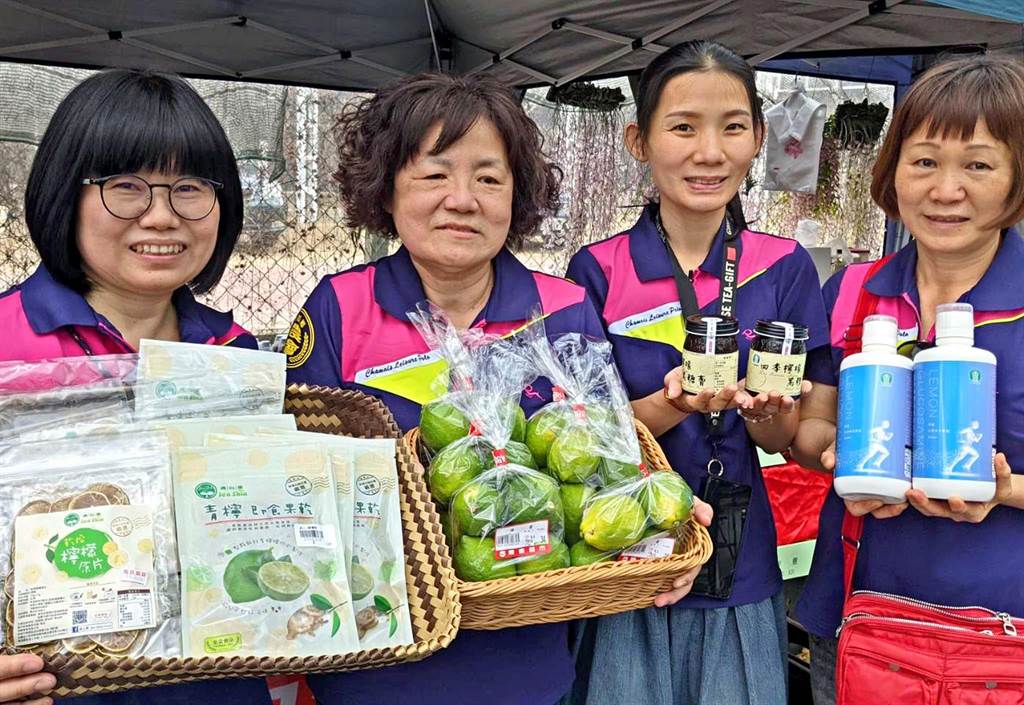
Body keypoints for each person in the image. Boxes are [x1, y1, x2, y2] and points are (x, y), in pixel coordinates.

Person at [285, 72, 712, 705]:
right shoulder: (339, 307)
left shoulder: (562, 310)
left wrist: (661, 530)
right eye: (434, 174)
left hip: (526, 657)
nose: (462, 199)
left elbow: (605, 468)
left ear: (518, 196)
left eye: (489, 177)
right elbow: (298, 481)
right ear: (387, 186)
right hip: (381, 656)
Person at [563, 40, 832, 705]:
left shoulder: (785, 267)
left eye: (732, 127)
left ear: (758, 138)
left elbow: (783, 438)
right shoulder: (597, 270)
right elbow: (581, 438)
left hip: (741, 566)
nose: (709, 152)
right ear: (639, 139)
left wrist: (772, 416)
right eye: (683, 126)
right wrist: (671, 404)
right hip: (627, 558)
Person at [0, 69, 270, 705]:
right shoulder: (7, 341)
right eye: (126, 187)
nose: (161, 216)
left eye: (190, 188)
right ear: (66, 193)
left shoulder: (235, 358)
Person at [792, 54, 1024, 705]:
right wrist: (836, 456)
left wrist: (1003, 491)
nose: (945, 190)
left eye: (978, 164)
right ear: (892, 172)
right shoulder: (854, 291)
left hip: (1001, 639)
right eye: (923, 161)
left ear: (1016, 178)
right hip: (864, 623)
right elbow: (812, 425)